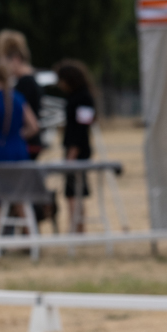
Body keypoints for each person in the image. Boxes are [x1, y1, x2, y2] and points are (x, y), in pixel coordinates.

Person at [0, 62, 40, 234]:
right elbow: (34, 126)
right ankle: (30, 236)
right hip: (18, 150)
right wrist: (17, 136)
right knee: (20, 197)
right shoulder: (18, 98)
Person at [55, 59, 98, 233]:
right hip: (75, 148)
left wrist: (72, 152)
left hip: (77, 149)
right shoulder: (77, 96)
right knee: (75, 190)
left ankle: (76, 227)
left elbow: (81, 129)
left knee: (73, 191)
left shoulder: (83, 98)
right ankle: (78, 226)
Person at [0, 30, 43, 160]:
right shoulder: (29, 79)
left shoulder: (24, 83)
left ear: (15, 59)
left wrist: (11, 139)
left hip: (27, 143)